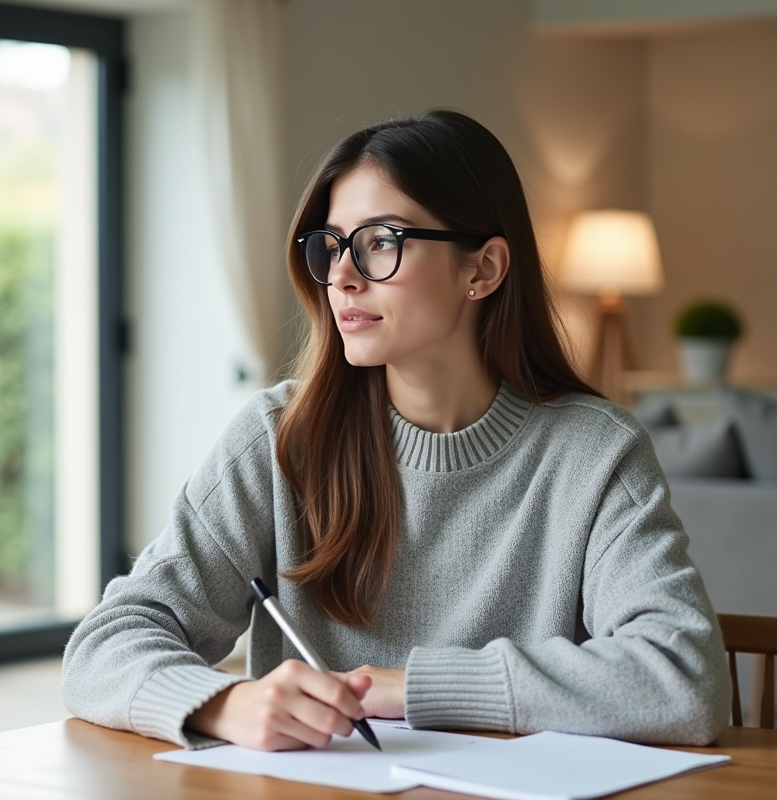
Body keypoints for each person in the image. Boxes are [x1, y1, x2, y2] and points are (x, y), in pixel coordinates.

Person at [62, 110, 731, 752]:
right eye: (331, 246)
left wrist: (409, 690)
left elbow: (683, 679)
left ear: (483, 269)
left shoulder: (596, 451)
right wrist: (221, 703)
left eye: (382, 241)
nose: (344, 277)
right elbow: (103, 645)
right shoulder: (276, 438)